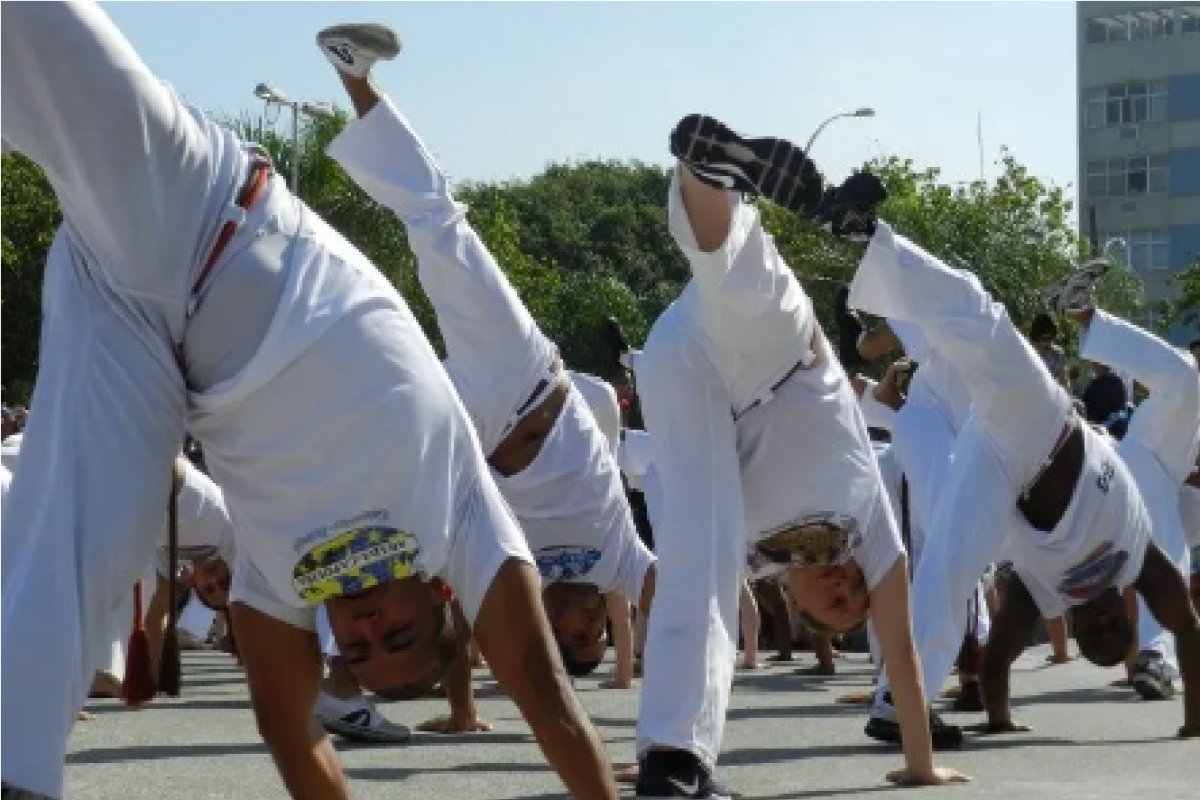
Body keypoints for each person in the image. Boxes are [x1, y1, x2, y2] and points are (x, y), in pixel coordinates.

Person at [0, 6, 616, 799]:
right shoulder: (463, 525)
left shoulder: (284, 588)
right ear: (440, 596)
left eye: (358, 648)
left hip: (142, 342)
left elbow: (294, 735)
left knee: (89, 533)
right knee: (35, 33)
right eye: (393, 631)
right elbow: (552, 707)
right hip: (211, 217)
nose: (361, 627)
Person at [316, 24, 655, 727]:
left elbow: (462, 604)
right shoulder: (621, 561)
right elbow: (682, 606)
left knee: (348, 481)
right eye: (597, 632)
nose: (585, 624)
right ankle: (354, 76)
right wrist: (674, 734)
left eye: (574, 641)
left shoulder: (515, 582)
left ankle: (338, 683)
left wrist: (466, 711)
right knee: (442, 227)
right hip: (527, 379)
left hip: (463, 437)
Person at [628, 113, 967, 798]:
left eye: (832, 603)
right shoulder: (871, 527)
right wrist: (922, 763)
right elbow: (899, 654)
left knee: (703, 560)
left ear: (791, 594)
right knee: (742, 280)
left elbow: (681, 585)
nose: (845, 587)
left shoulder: (752, 559)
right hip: (789, 358)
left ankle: (670, 760)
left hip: (686, 378)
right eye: (854, 596)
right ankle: (709, 172)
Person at [837, 172, 1200, 740]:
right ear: (1127, 613)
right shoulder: (1137, 561)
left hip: (997, 471)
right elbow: (1189, 631)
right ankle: (869, 235)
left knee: (948, 568)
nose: (1103, 613)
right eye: (1115, 623)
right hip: (1045, 429)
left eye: (1094, 627)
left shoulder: (1041, 594)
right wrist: (1195, 724)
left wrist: (1000, 714)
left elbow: (1001, 660)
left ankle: (896, 704)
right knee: (982, 320)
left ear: (1074, 626)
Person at [1066, 302, 1198, 702]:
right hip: (1148, 459)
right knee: (1167, 555)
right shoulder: (1184, 396)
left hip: (1156, 475)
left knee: (1160, 560)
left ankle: (1151, 657)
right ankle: (1155, 657)